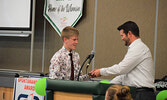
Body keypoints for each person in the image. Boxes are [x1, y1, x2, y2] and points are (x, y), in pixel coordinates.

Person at [89, 21, 156, 100]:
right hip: (138, 93)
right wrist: (108, 87)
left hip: (143, 94)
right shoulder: (136, 48)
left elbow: (121, 69)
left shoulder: (138, 48)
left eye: (122, 35)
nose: (121, 38)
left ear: (130, 34)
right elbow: (124, 75)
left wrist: (100, 71)